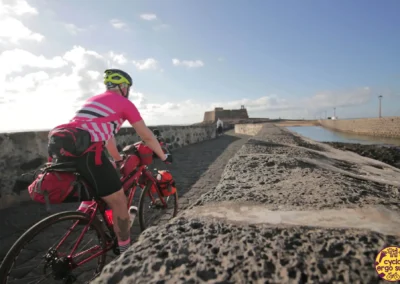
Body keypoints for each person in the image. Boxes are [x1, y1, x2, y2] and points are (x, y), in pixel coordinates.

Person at [47, 69, 172, 254]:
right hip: (88, 155)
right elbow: (146, 135)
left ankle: (85, 211)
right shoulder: (124, 103)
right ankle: (125, 250)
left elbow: (108, 138)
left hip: (64, 148)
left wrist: (117, 159)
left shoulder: (93, 100)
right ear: (123, 87)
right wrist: (163, 156)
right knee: (120, 202)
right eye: (127, 87)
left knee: (100, 178)